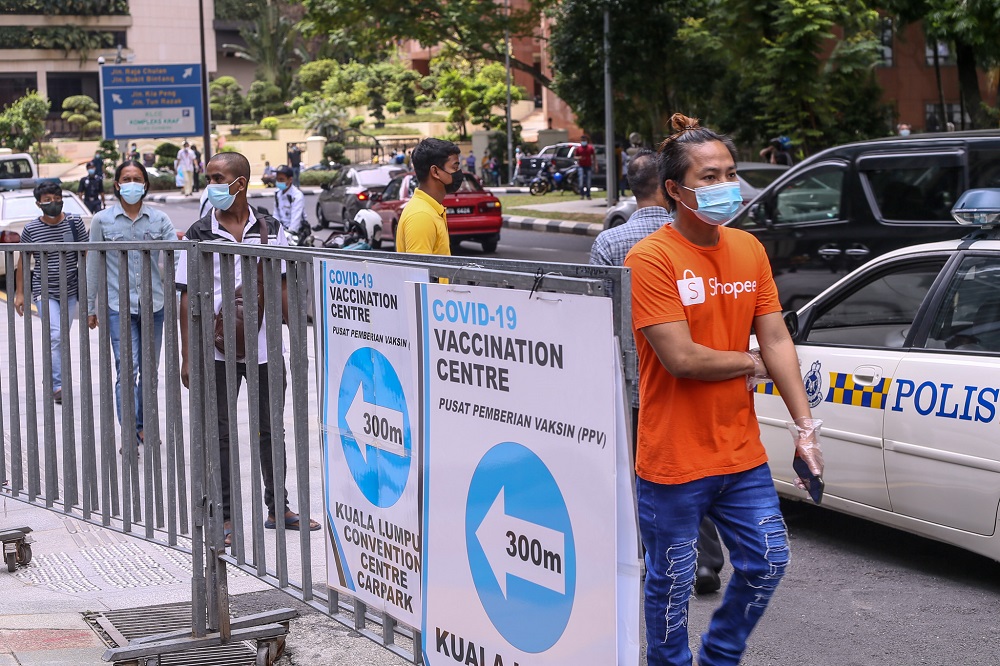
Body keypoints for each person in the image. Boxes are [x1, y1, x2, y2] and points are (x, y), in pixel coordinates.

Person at [624, 113, 824, 666]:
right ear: (673, 189)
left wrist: (806, 428)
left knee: (768, 560)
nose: (723, 187)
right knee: (672, 581)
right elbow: (681, 358)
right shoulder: (651, 258)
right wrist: (749, 362)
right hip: (673, 458)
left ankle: (719, 655)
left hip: (739, 452)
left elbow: (778, 338)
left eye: (729, 174)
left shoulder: (747, 249)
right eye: (708, 177)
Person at [590, 149, 725, 595]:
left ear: (630, 190)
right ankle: (703, 561)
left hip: (632, 378)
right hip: (690, 374)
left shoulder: (610, 244)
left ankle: (656, 557)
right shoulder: (697, 240)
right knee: (693, 464)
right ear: (667, 186)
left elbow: (597, 319)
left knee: (645, 473)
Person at [177, 151, 320, 546]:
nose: (212, 185)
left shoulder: (272, 229)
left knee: (272, 429)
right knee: (221, 433)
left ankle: (279, 508)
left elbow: (287, 284)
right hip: (218, 348)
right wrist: (188, 356)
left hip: (266, 348)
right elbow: (187, 297)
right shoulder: (200, 232)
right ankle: (224, 516)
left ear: (240, 182)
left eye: (218, 178)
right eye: (208, 178)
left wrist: (297, 340)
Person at [86, 160, 178, 452]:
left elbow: (174, 258)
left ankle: (144, 427)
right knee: (128, 369)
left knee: (150, 371)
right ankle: (129, 432)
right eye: (126, 178)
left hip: (155, 305)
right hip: (118, 306)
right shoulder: (103, 220)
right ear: (116, 184)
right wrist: (91, 306)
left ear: (145, 184)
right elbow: (92, 264)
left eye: (137, 178)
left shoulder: (160, 219)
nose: (132, 183)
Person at [13, 181, 88, 405]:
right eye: (47, 200)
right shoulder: (31, 229)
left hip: (71, 290)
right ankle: (58, 385)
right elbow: (23, 260)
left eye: (56, 199)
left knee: (60, 336)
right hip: (45, 292)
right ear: (38, 204)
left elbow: (86, 254)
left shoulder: (75, 223)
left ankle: (56, 377)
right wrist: (20, 293)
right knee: (56, 335)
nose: (53, 203)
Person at [395, 137, 461, 256]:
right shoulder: (421, 216)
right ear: (435, 172)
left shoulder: (430, 209)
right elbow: (418, 272)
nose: (458, 173)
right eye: (454, 168)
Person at [272, 165, 306, 236]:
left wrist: (287, 235)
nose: (278, 182)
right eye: (277, 179)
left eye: (281, 179)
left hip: (296, 233)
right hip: (281, 231)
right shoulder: (277, 193)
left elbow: (295, 221)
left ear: (290, 180)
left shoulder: (297, 196)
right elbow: (276, 215)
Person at [576, 135, 597, 200]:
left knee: (588, 182)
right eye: (582, 140)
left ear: (586, 141)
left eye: (584, 140)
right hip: (581, 166)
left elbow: (594, 157)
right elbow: (575, 156)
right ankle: (582, 194)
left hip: (588, 166)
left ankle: (588, 195)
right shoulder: (578, 149)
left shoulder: (590, 148)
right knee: (581, 181)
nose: (583, 142)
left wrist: (595, 165)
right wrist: (579, 158)